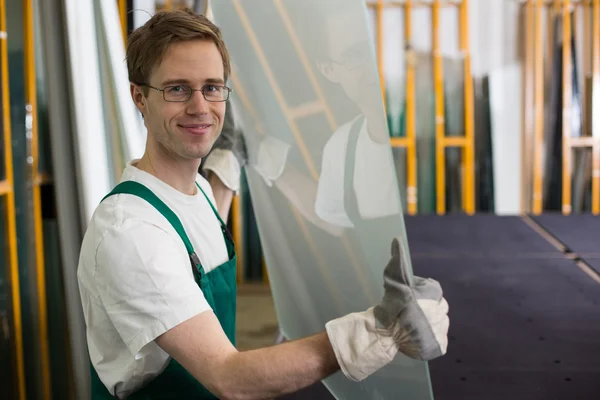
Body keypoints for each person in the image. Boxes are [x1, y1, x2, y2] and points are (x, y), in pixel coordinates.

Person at [77, 8, 449, 400]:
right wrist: (378, 330)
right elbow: (228, 377)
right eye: (177, 89)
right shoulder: (131, 231)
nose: (200, 107)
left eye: (213, 87)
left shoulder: (195, 193)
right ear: (140, 97)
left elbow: (201, 229)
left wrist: (230, 158)